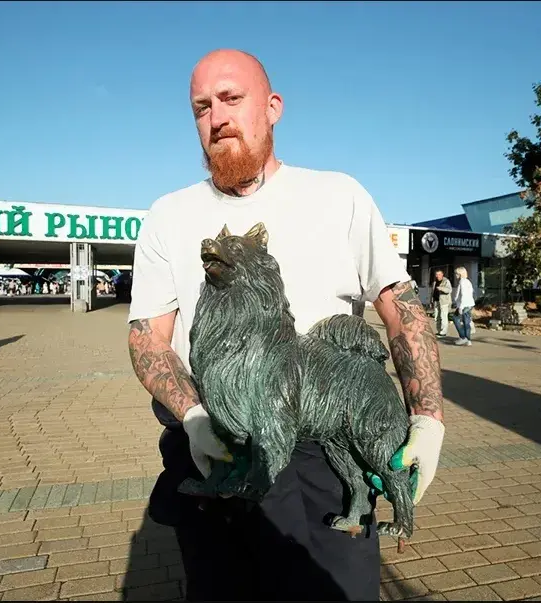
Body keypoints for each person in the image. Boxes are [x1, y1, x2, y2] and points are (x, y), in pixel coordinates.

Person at [127, 49, 446, 601]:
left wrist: (429, 418)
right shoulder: (168, 215)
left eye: (231, 99)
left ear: (272, 107)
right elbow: (146, 336)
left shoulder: (337, 195)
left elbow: (400, 305)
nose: (216, 117)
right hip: (212, 446)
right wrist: (195, 418)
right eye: (201, 107)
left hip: (317, 451)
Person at [451, 266, 475, 346]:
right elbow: (471, 292)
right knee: (466, 322)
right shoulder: (467, 281)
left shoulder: (462, 282)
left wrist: (461, 306)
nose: (455, 275)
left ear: (460, 274)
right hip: (468, 304)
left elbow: (463, 295)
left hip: (464, 305)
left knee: (456, 318)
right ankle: (468, 340)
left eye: (456, 274)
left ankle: (463, 337)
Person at [432, 269, 452, 337]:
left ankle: (443, 332)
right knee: (437, 317)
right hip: (436, 301)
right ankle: (439, 331)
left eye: (439, 274)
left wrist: (441, 288)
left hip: (444, 302)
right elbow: (433, 292)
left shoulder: (446, 281)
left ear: (442, 274)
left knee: (443, 317)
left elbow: (449, 290)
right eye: (436, 275)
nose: (438, 276)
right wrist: (431, 300)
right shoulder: (434, 282)